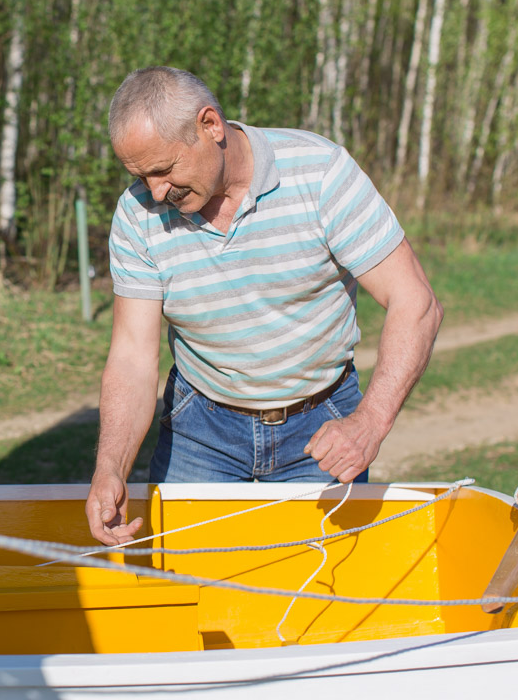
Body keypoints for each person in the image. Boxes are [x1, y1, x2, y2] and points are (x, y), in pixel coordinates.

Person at [85, 67, 443, 546]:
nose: (155, 192)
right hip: (200, 427)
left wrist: (370, 423)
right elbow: (131, 357)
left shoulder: (319, 171)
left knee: (313, 585)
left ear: (210, 125)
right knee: (191, 580)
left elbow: (415, 301)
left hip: (321, 423)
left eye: (164, 169)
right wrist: (110, 468)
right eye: (141, 176)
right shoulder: (137, 215)